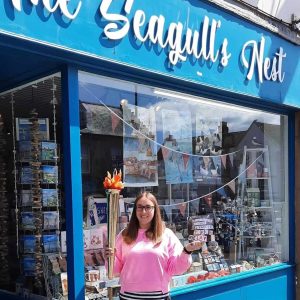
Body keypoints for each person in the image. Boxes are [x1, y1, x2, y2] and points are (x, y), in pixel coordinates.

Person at [104, 192, 203, 300]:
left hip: (158, 296)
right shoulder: (124, 235)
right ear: (135, 210)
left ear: (155, 209)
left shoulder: (166, 234)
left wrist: (186, 251)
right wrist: (110, 258)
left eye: (148, 207)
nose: (143, 211)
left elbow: (176, 268)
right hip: (129, 296)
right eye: (140, 207)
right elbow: (115, 270)